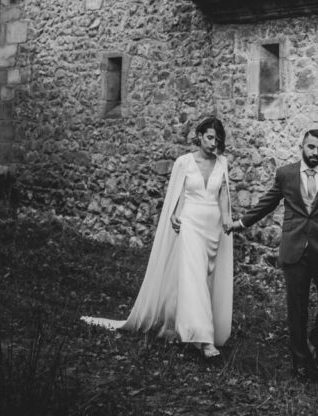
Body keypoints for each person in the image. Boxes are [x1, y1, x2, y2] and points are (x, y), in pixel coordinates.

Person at [82, 115, 233, 360]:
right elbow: (179, 193)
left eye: (218, 139)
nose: (214, 143)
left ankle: (174, 324)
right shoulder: (184, 162)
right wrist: (174, 214)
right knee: (194, 276)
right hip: (191, 223)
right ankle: (204, 339)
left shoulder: (223, 163)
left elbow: (224, 194)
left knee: (200, 279)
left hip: (212, 226)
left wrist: (227, 219)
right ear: (199, 136)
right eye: (209, 137)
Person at [231, 129, 318, 381]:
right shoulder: (285, 174)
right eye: (311, 147)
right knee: (297, 310)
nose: (315, 153)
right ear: (302, 146)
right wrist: (241, 223)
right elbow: (267, 203)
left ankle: (313, 343)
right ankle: (300, 363)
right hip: (294, 251)